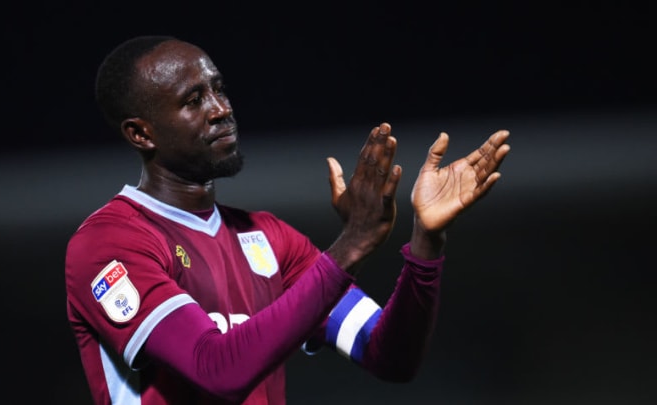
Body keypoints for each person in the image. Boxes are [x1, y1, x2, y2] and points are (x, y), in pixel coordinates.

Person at [64, 35, 511, 405]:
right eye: (194, 99)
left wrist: (426, 242)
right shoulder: (110, 242)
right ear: (141, 133)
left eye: (219, 88)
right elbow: (216, 369)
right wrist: (350, 244)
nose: (221, 108)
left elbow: (390, 357)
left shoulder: (269, 238)